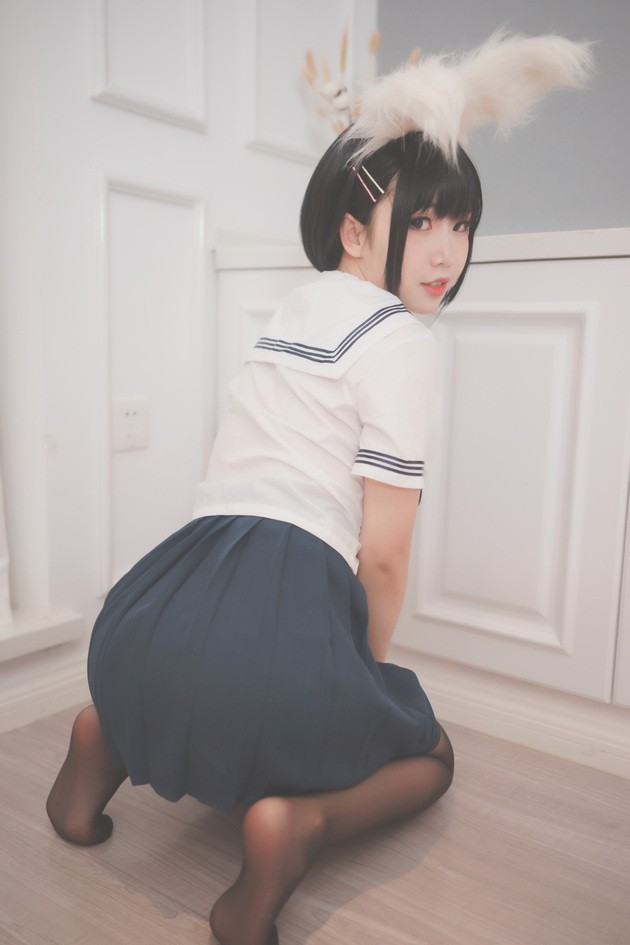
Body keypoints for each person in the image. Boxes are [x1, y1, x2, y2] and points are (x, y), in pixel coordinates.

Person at [46, 32, 592, 945]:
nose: (446, 252)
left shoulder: (293, 309)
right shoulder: (403, 341)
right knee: (429, 749)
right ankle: (296, 823)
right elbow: (385, 554)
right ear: (354, 230)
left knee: (197, 687)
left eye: (461, 225)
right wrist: (362, 673)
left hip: (146, 617)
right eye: (422, 221)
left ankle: (106, 737)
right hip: (266, 647)